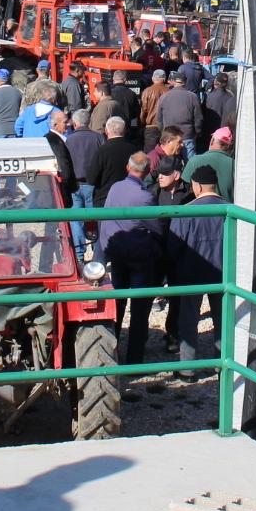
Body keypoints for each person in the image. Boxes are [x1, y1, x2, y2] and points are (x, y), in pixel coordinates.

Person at [98, 151, 164, 369]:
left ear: (128, 168)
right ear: (147, 171)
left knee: (117, 304)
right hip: (139, 258)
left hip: (117, 255)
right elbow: (157, 228)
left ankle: (111, 350)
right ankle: (135, 360)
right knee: (139, 308)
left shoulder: (116, 188)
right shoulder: (145, 197)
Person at [166, 168, 226, 372]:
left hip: (191, 273)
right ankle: (222, 364)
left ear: (197, 186)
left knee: (188, 320)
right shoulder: (230, 209)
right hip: (223, 273)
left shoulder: (187, 210)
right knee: (222, 319)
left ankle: (187, 368)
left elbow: (174, 246)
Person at [155, 71, 201, 160]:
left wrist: (163, 133)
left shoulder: (164, 97)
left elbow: (159, 120)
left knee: (170, 164)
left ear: (173, 82)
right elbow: (198, 118)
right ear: (185, 82)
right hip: (187, 135)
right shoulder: (192, 96)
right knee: (190, 164)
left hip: (170, 137)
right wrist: (197, 132)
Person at [183, 125, 233, 200]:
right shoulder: (235, 164)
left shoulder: (194, 161)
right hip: (228, 210)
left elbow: (184, 190)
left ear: (212, 141)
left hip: (200, 210)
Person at [66, 115, 106, 208]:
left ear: (75, 123)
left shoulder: (69, 139)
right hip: (93, 184)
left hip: (75, 184)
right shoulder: (99, 138)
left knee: (76, 218)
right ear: (89, 122)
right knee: (94, 217)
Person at [138, 68, 169, 150]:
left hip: (151, 127)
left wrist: (142, 124)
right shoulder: (169, 91)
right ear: (164, 79)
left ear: (152, 78)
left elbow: (143, 110)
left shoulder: (147, 91)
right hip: (166, 127)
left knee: (150, 154)